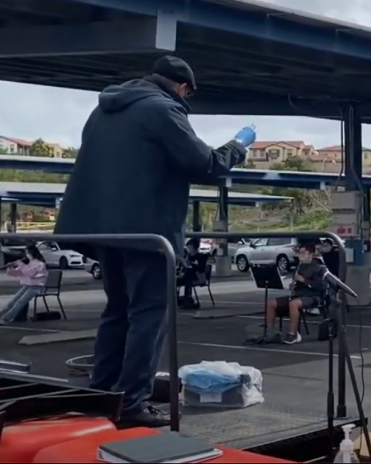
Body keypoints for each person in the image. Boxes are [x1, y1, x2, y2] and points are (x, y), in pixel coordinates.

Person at [53, 55, 252, 428]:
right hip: (147, 234)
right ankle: (130, 405)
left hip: (105, 233)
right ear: (182, 87)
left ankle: (101, 395)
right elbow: (205, 163)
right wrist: (239, 146)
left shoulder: (102, 111)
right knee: (148, 317)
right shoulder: (162, 110)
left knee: (117, 312)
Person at [265, 244, 328, 344]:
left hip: (312, 296)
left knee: (293, 304)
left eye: (303, 253)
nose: (300, 255)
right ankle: (271, 332)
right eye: (299, 253)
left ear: (310, 254)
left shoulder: (319, 268)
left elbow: (322, 285)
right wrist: (293, 285)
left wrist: (304, 281)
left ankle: (293, 333)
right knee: (271, 303)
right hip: (298, 294)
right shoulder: (299, 266)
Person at [0, 245, 48, 324]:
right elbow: (17, 273)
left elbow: (30, 273)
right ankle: (1, 314)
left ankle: (6, 318)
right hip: (27, 285)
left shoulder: (40, 264)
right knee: (13, 301)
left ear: (32, 253)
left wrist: (21, 265)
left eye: (27, 253)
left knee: (20, 302)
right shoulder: (28, 263)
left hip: (36, 287)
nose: (26, 255)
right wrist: (10, 267)